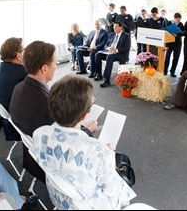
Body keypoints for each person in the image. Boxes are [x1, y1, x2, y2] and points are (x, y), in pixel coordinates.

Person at [32, 75, 137, 209]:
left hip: (58, 197)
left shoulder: (39, 133)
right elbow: (113, 191)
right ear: (85, 115)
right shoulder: (99, 152)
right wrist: (108, 157)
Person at [10, 41, 98, 183]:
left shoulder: (18, 88)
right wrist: (87, 130)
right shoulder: (47, 103)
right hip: (50, 164)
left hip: (30, 152)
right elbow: (66, 139)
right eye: (55, 63)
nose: (56, 67)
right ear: (44, 69)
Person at [0, 37, 26, 141]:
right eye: (24, 50)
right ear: (18, 55)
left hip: (8, 121)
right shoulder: (22, 73)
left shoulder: (1, 68)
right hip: (20, 126)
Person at [94, 21, 131, 88]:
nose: (114, 28)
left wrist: (116, 50)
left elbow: (126, 48)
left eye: (116, 27)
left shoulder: (126, 36)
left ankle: (106, 80)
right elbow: (105, 46)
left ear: (121, 27)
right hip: (109, 52)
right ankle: (99, 74)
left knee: (109, 57)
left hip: (120, 54)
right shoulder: (111, 34)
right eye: (114, 27)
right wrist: (108, 48)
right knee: (98, 55)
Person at [163, 12, 184, 77]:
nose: (178, 21)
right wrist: (170, 34)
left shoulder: (181, 24)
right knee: (167, 57)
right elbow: (165, 31)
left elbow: (182, 33)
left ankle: (172, 71)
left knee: (176, 58)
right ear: (174, 18)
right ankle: (165, 71)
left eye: (179, 19)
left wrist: (177, 35)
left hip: (178, 43)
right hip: (170, 43)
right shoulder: (169, 23)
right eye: (177, 20)